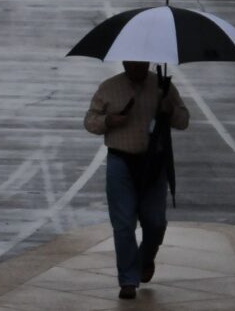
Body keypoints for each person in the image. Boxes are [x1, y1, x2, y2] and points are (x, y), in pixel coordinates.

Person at [84, 61, 190, 300]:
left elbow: (184, 120)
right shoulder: (109, 88)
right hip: (121, 161)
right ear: (124, 62)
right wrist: (109, 121)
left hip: (154, 163)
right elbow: (90, 121)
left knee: (155, 223)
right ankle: (128, 280)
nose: (137, 66)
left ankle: (145, 259)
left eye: (142, 62)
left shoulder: (163, 87)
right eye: (132, 62)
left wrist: (170, 109)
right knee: (123, 224)